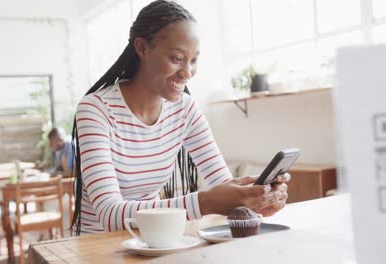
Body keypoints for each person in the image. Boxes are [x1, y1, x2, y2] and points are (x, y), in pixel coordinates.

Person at [71, 0, 290, 235]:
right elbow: (110, 214)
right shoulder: (96, 110)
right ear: (142, 48)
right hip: (96, 246)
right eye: (176, 59)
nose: (187, 72)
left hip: (153, 240)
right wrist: (206, 202)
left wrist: (254, 199)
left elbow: (222, 183)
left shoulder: (185, 109)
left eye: (193, 60)